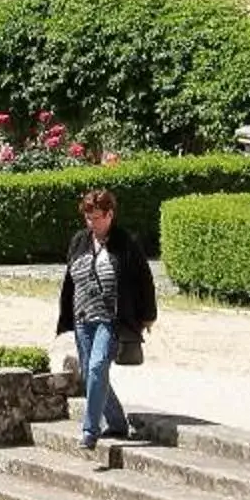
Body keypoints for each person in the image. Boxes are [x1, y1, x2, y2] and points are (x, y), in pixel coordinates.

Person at [56, 187, 157, 457]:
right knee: (91, 374)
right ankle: (116, 422)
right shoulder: (79, 241)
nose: (92, 223)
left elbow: (144, 281)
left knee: (99, 365)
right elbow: (70, 279)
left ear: (110, 214)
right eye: (88, 218)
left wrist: (147, 316)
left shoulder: (126, 242)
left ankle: (90, 430)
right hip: (82, 317)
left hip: (111, 318)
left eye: (97, 217)